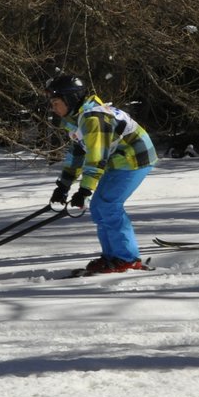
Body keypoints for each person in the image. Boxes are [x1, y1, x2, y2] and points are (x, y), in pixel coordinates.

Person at [45, 73, 158, 274]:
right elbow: (77, 152)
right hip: (118, 160)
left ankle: (127, 258)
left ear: (69, 99)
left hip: (134, 158)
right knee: (99, 207)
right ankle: (112, 256)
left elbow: (96, 159)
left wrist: (85, 190)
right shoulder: (77, 118)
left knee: (108, 205)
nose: (53, 107)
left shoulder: (93, 119)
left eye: (56, 102)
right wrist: (63, 185)